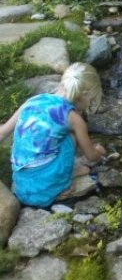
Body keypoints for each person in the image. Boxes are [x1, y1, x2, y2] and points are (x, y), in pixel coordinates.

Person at [0, 62, 106, 208]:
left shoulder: (33, 101)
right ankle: (61, 183)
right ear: (85, 95)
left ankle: (57, 173)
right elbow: (91, 157)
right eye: (91, 100)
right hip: (43, 188)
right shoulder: (74, 119)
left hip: (21, 182)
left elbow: (2, 132)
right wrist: (99, 151)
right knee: (71, 137)